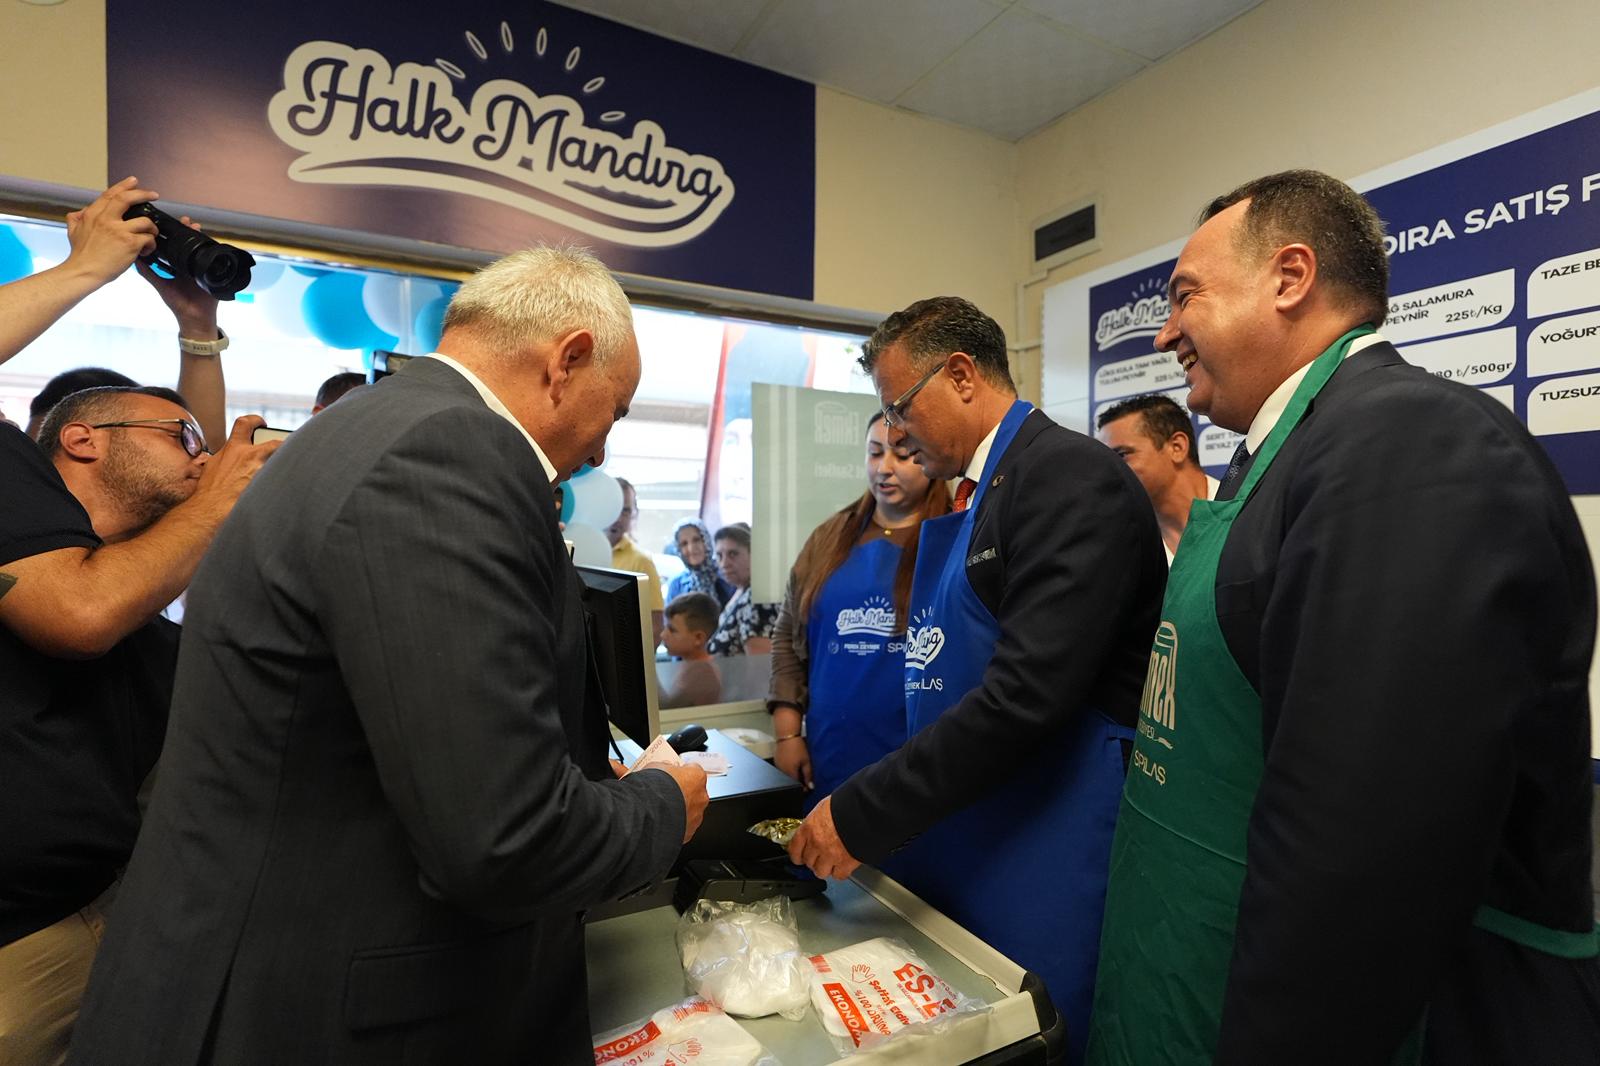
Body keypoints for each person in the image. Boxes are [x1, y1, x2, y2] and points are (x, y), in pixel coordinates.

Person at [66, 246, 709, 1066]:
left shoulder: (370, 428)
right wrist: (660, 805)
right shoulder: (447, 453)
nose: (603, 451)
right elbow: (503, 843)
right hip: (319, 1006)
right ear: (567, 360)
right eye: (613, 413)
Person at [1085, 170, 1600, 1066]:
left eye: (1185, 297)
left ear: (1289, 279)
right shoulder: (1281, 464)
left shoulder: (1410, 445)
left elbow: (1357, 867)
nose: (1166, 331)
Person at [787, 296, 1167, 1064]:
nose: (895, 431)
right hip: (983, 821)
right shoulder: (978, 489)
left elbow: (1027, 696)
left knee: (1043, 1032)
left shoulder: (1063, 475)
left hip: (1055, 827)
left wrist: (863, 809)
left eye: (900, 405)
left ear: (960, 375)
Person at [0, 386, 276, 1066]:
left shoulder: (144, 629)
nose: (206, 459)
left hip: (99, 915)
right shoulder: (41, 574)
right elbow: (83, 613)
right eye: (182, 438)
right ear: (84, 439)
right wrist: (216, 504)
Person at [768, 412, 949, 808]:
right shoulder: (829, 537)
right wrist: (787, 734)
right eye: (874, 453)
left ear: (928, 456)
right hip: (829, 748)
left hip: (916, 754)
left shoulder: (955, 536)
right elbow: (786, 639)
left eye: (902, 455)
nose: (884, 468)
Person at [11, 179, 230, 450]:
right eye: (42, 451)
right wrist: (84, 267)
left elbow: (204, 459)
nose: (59, 465)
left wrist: (197, 324)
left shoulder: (159, 485)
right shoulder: (17, 484)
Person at [1095, 393, 1219, 563]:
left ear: (1177, 447)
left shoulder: (1245, 511)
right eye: (1106, 460)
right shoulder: (1123, 545)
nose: (1108, 471)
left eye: (1122, 455)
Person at [706, 523, 778, 656]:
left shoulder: (758, 597)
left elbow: (761, 664)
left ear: (754, 555)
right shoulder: (741, 591)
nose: (724, 563)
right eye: (719, 556)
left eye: (733, 554)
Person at [606, 476, 665, 641]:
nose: (618, 518)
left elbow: (655, 627)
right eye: (613, 507)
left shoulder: (641, 561)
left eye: (625, 511)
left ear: (633, 514)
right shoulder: (581, 548)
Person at [658, 592, 723, 709]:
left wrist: (645, 669)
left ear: (698, 638)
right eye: (665, 628)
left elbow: (668, 708)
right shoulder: (692, 665)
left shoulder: (701, 671)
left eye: (672, 630)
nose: (663, 635)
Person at [666, 517, 733, 607]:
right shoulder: (677, 584)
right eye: (684, 544)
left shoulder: (726, 575)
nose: (691, 548)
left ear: (706, 541)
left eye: (696, 540)